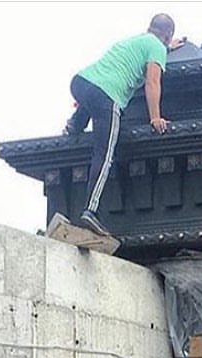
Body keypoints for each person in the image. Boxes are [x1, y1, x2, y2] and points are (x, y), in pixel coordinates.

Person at [63, 14, 183, 236]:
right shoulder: (157, 47)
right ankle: (90, 210)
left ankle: (74, 125)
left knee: (92, 102)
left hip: (81, 83)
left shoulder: (135, 41)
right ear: (168, 35)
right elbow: (153, 81)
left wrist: (165, 48)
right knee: (105, 154)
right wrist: (155, 117)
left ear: (149, 28)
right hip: (108, 97)